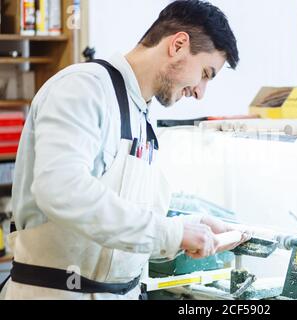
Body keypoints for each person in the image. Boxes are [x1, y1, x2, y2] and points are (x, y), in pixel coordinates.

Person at [1, 0, 248, 300]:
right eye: (206, 74)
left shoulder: (143, 116)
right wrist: (171, 234)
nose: (200, 92)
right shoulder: (84, 87)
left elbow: (123, 227)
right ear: (179, 45)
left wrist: (186, 226)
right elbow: (62, 190)